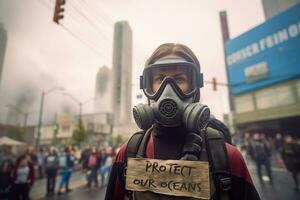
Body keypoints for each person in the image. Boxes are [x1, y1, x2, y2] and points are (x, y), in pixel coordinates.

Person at [105, 43, 260, 200]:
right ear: (148, 87)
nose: (168, 89)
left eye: (179, 79)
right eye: (160, 78)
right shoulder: (128, 153)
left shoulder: (227, 157)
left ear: (195, 86)